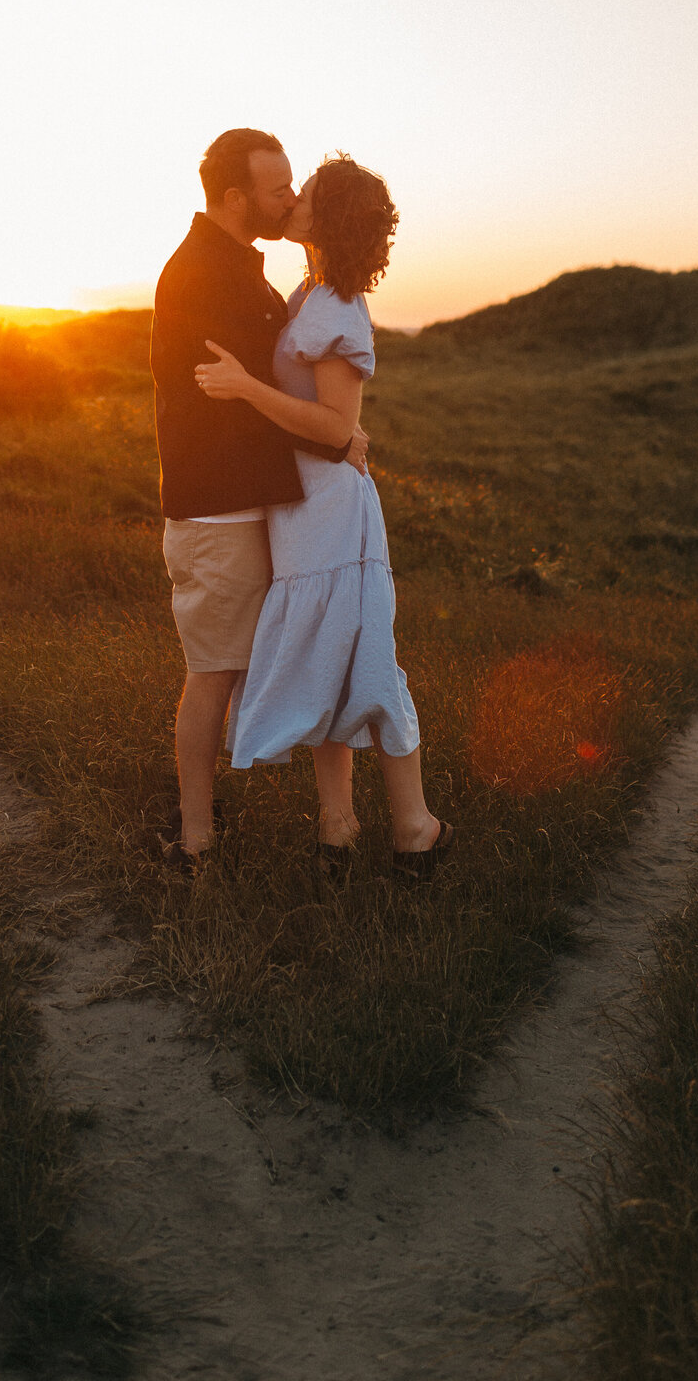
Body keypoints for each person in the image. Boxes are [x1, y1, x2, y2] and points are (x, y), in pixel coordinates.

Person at [195, 156, 454, 876]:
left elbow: (337, 427)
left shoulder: (336, 307)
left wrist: (246, 389)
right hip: (302, 507)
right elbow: (333, 426)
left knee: (365, 663)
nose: (294, 196)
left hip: (334, 513)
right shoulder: (308, 290)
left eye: (306, 190)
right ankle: (337, 827)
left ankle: (414, 827)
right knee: (325, 658)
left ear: (326, 215)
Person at [150, 129, 368, 872]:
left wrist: (342, 435)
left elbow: (282, 390)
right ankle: (195, 840)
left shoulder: (245, 269)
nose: (291, 199)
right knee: (214, 671)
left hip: (265, 507)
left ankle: (334, 825)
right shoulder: (202, 275)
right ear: (236, 196)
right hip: (220, 514)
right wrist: (339, 439)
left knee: (299, 655)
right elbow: (240, 403)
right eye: (279, 189)